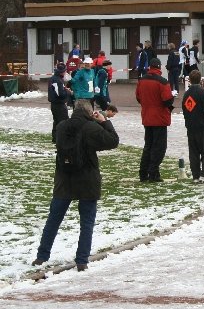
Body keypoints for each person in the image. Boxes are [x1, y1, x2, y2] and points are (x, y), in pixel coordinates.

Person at [31, 99, 119, 272]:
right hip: (87, 179)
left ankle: (42, 256)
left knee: (54, 218)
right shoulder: (90, 128)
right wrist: (104, 121)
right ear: (90, 112)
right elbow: (112, 141)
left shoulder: (62, 126)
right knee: (86, 221)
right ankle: (81, 260)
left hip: (64, 178)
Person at [136, 57, 175, 182]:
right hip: (160, 118)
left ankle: (143, 173)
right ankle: (153, 172)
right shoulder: (163, 82)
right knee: (159, 147)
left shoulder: (142, 80)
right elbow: (167, 100)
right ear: (159, 67)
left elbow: (138, 97)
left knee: (148, 145)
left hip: (147, 116)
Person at [182, 70, 204, 182]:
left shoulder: (186, 94)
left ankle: (195, 175)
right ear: (200, 79)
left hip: (191, 127)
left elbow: (185, 110)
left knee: (194, 152)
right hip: (203, 127)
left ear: (190, 81)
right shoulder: (203, 93)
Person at [48, 62, 72, 143]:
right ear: (62, 71)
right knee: (63, 122)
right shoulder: (57, 80)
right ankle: (62, 139)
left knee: (57, 122)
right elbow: (60, 94)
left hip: (55, 104)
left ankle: (55, 138)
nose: (66, 73)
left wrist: (64, 89)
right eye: (65, 71)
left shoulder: (55, 78)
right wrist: (67, 92)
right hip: (59, 104)